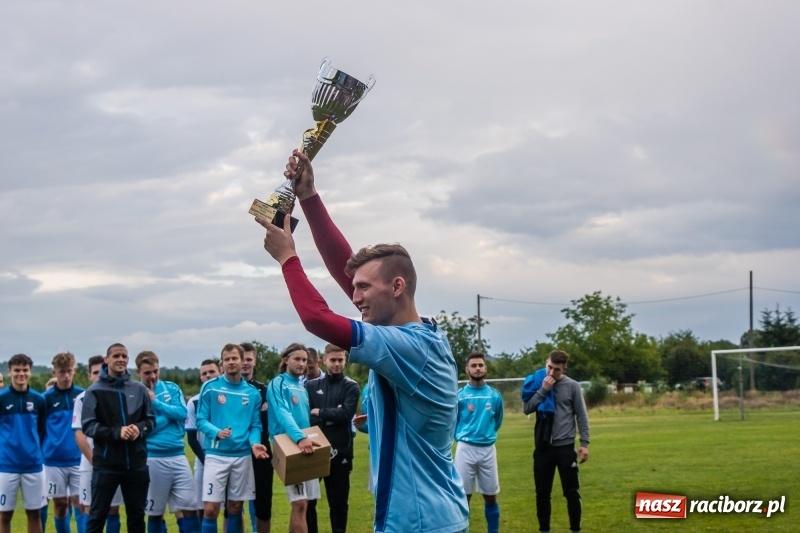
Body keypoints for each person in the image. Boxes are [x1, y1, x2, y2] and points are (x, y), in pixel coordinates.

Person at [256, 150, 469, 533]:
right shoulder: (419, 335)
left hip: (420, 523)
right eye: (355, 289)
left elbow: (317, 319)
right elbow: (348, 271)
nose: (355, 297)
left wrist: (288, 259)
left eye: (365, 288)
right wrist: (309, 196)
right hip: (429, 517)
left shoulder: (407, 346)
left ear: (398, 287)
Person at [81, 343, 155, 533]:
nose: (121, 359)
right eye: (116, 356)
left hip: (136, 464)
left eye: (124, 356)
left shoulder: (139, 389)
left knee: (137, 518)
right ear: (107, 360)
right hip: (106, 465)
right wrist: (117, 432)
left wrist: (139, 429)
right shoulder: (94, 391)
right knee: (97, 516)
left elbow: (150, 421)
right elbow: (88, 426)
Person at [196, 344, 267, 533]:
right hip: (216, 455)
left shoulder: (252, 393)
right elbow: (201, 420)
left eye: (234, 358)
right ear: (222, 364)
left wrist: (254, 443)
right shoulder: (210, 387)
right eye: (226, 359)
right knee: (211, 509)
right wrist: (216, 432)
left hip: (242, 456)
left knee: (235, 507)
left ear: (242, 360)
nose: (231, 362)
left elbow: (255, 425)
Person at [522, 350, 590, 533]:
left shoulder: (573, 386)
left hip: (565, 448)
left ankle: (575, 529)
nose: (551, 373)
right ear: (546, 362)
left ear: (564, 369)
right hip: (543, 448)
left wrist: (584, 443)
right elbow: (527, 408)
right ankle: (544, 530)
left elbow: (581, 416)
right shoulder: (537, 382)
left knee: (571, 493)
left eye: (556, 370)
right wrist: (544, 390)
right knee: (542, 494)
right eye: (549, 367)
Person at [135, 351, 199, 533]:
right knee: (154, 513)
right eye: (147, 373)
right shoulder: (135, 393)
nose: (153, 376)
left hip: (178, 456)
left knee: (190, 508)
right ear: (138, 372)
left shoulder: (171, 388)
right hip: (153, 458)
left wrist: (156, 404)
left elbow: (182, 413)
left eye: (156, 371)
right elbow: (142, 430)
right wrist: (169, 419)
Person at [304, 344, 360, 533]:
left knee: (338, 504)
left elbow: (345, 415)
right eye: (333, 360)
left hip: (341, 451)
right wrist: (331, 415)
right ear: (325, 359)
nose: (336, 364)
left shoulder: (351, 386)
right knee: (308, 502)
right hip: (313, 450)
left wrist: (320, 412)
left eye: (340, 360)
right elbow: (307, 417)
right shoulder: (310, 386)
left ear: (345, 360)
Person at [266, 343, 321, 533]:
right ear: (286, 360)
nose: (301, 363)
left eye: (304, 360)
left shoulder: (302, 387)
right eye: (297, 359)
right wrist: (299, 438)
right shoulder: (278, 383)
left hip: (305, 446)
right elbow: (283, 413)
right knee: (299, 504)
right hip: (289, 446)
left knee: (304, 505)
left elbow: (305, 420)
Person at [72, 356, 123, 533]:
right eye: (95, 372)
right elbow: (79, 435)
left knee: (113, 509)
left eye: (102, 371)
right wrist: (96, 461)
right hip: (91, 463)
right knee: (88, 508)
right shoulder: (81, 399)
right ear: (89, 376)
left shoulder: (118, 395)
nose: (99, 375)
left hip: (114, 462)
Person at [455, 351, 504, 533]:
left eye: (480, 365)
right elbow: (454, 422)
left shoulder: (495, 396)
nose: (477, 369)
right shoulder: (459, 396)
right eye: (474, 366)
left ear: (486, 368)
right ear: (467, 369)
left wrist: (485, 434)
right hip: (465, 448)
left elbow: (497, 421)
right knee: (463, 497)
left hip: (488, 449)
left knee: (491, 496)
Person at [0, 354, 47, 533]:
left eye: (25, 370)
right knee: (4, 515)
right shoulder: (2, 398)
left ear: (30, 372)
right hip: (6, 466)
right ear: (10, 372)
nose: (21, 374)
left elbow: (41, 430)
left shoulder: (39, 399)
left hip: (33, 465)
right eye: (17, 370)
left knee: (34, 513)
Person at [42, 352, 85, 533]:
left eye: (69, 371)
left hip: (78, 459)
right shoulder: (45, 399)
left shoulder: (83, 396)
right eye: (61, 372)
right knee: (60, 505)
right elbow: (39, 430)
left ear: (74, 370)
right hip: (53, 462)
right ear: (54, 372)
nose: (66, 376)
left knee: (81, 504)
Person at [240, 342, 274, 533]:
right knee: (234, 504)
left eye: (249, 359)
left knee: (263, 502)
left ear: (255, 361)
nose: (245, 363)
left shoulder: (264, 389)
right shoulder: (229, 389)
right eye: (242, 359)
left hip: (262, 450)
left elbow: (272, 421)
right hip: (237, 450)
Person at [185, 359, 220, 520]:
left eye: (211, 372)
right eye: (204, 374)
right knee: (203, 506)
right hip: (203, 457)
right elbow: (192, 439)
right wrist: (206, 461)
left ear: (219, 372)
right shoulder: (194, 402)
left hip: (228, 455)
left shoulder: (230, 397)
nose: (208, 376)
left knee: (233, 505)